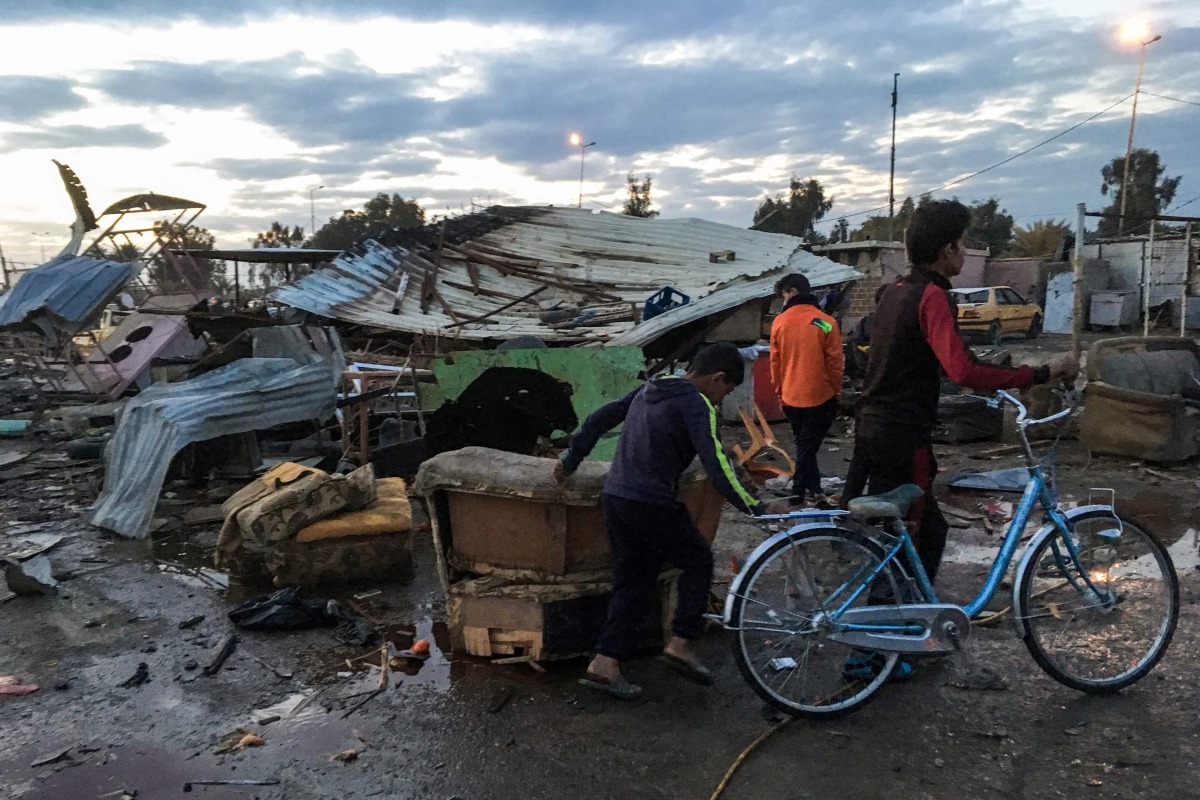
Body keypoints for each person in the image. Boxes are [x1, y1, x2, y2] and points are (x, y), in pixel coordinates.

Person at [844, 199, 1076, 586]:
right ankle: (889, 638)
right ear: (946, 249)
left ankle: (894, 629)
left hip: (872, 427)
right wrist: (1041, 373)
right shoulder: (931, 296)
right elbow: (963, 369)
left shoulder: (894, 291)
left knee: (905, 534)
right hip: (903, 435)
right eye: (961, 243)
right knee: (918, 537)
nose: (965, 252)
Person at [554, 342, 783, 700]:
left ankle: (605, 662)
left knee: (635, 580)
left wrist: (571, 459)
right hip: (652, 502)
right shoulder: (697, 404)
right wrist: (756, 506)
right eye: (724, 392)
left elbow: (603, 416)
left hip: (617, 498)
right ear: (718, 378)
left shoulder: (653, 386)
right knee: (698, 559)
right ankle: (681, 641)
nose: (721, 401)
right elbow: (717, 462)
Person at [769, 273, 844, 505]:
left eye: (783, 295)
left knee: (804, 446)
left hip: (791, 396)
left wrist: (780, 393)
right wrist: (836, 390)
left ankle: (814, 489)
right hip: (820, 396)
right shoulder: (825, 322)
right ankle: (798, 492)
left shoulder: (779, 322)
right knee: (807, 448)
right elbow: (835, 363)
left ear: (791, 292)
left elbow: (775, 363)